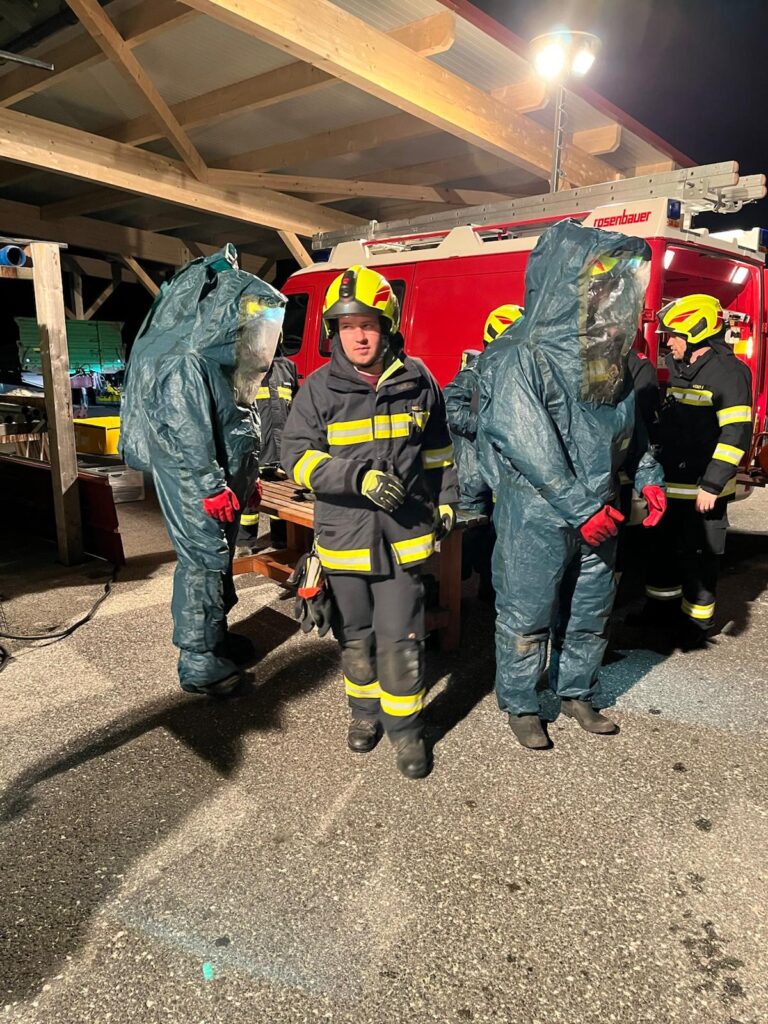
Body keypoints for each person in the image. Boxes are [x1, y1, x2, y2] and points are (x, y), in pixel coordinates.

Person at [475, 222, 666, 750]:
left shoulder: (606, 357)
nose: (607, 297)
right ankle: (521, 702)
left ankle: (577, 691)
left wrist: (648, 476)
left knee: (590, 608)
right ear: (566, 284)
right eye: (596, 284)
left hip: (599, 510)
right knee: (527, 612)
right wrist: (583, 508)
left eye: (613, 286)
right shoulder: (518, 353)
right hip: (538, 513)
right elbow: (524, 438)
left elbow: (631, 429)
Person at [281, 265, 458, 779]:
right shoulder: (318, 390)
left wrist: (448, 500)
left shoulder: (419, 380)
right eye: (346, 326)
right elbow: (296, 458)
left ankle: (407, 733)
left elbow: (440, 451)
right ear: (333, 331)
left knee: (402, 639)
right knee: (355, 636)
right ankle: (364, 714)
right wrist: (356, 478)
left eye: (368, 324)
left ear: (388, 326)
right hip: (345, 540)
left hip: (404, 539)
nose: (358, 336)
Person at [120, 245, 286, 695]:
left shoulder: (215, 357)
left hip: (222, 475)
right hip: (198, 478)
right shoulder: (186, 359)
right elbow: (186, 432)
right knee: (204, 560)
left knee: (218, 556)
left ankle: (215, 638)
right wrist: (211, 486)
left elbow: (235, 418)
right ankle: (198, 660)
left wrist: (247, 478)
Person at [642, 294, 753, 646]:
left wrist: (713, 484)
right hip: (672, 481)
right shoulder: (682, 366)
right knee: (661, 550)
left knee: (698, 558)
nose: (668, 342)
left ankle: (696, 624)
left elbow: (736, 434)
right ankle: (659, 611)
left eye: (673, 335)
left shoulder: (729, 374)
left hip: (703, 488)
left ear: (695, 333)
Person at [445, 305, 524, 600]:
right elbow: (450, 408)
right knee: (469, 537)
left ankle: (487, 594)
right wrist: (487, 426)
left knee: (496, 535)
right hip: (473, 475)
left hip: (497, 475)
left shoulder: (509, 373)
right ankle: (451, 594)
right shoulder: (473, 373)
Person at [236, 342, 299, 552]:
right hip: (256, 451)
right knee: (250, 500)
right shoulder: (243, 371)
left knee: (281, 499)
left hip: (282, 451)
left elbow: (296, 408)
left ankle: (281, 540)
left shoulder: (288, 367)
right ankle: (245, 543)